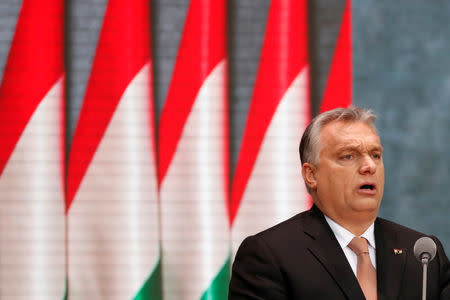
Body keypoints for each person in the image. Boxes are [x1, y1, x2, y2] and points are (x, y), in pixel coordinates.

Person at [228, 107, 450, 300]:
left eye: (375, 155)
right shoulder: (270, 255)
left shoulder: (422, 252)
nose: (369, 166)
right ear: (311, 175)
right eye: (348, 156)